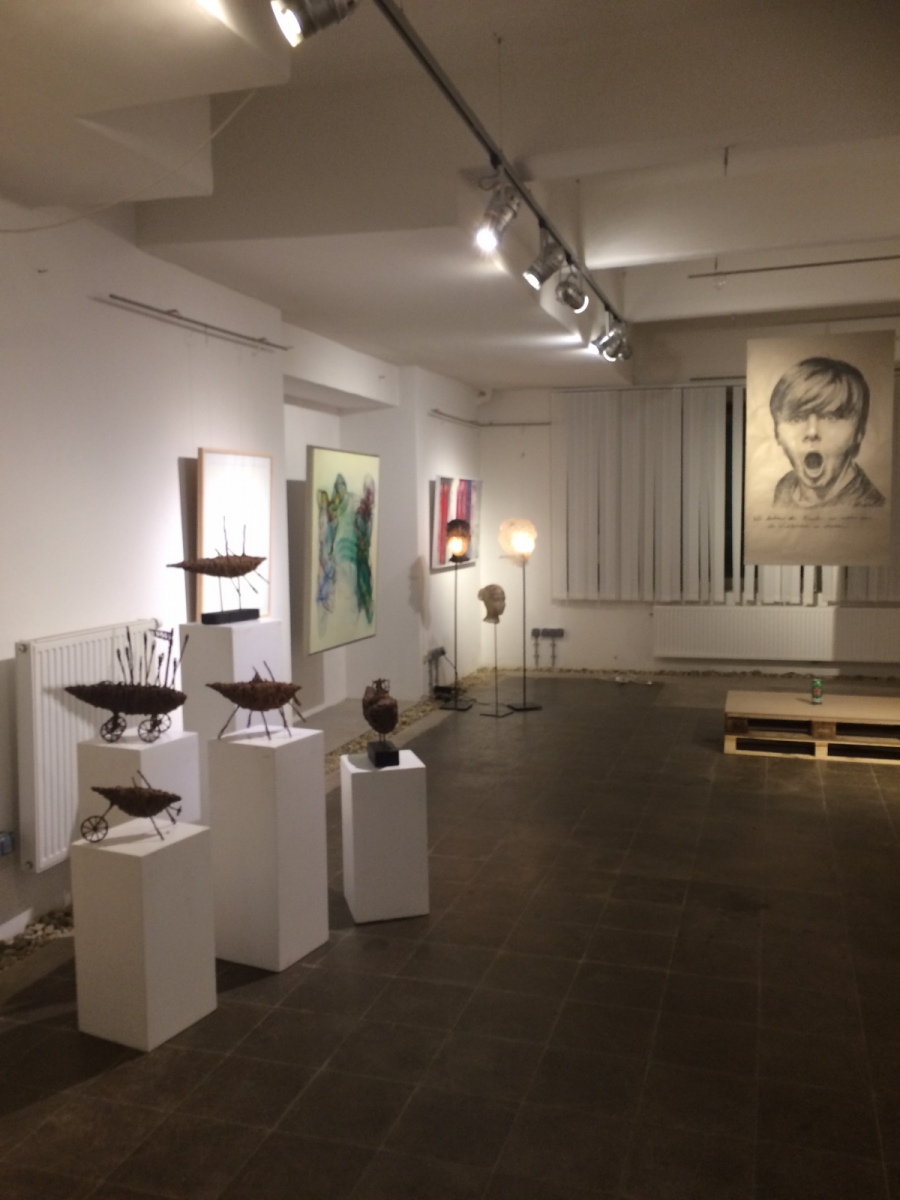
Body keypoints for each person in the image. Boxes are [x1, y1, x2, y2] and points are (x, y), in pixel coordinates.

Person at [768, 356, 885, 508]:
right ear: (776, 432)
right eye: (797, 418)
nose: (812, 432)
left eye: (831, 418)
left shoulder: (870, 506)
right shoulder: (785, 487)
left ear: (859, 432)